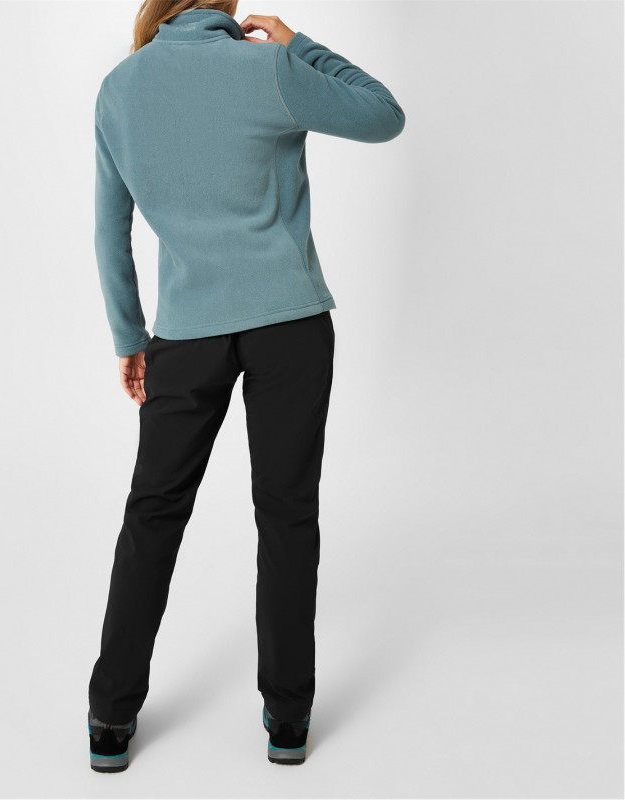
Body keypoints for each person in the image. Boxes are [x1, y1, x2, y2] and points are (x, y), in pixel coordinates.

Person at [87, 0, 405, 772]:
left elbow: (109, 229)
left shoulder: (120, 88)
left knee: (153, 513)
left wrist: (130, 337)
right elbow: (382, 115)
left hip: (184, 335)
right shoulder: (271, 68)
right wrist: (300, 45)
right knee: (288, 515)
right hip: (289, 326)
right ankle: (288, 718)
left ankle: (110, 716)